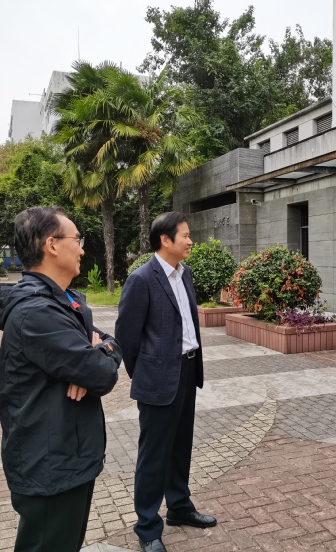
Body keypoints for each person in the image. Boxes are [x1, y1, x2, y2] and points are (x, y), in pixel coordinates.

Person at [0, 206, 122, 552]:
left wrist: (97, 352)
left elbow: (110, 343)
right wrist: (93, 360)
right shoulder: (38, 312)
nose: (82, 250)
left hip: (68, 456)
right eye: (77, 240)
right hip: (51, 464)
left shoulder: (61, 302)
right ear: (51, 244)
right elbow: (103, 374)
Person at [115, 212, 216, 552]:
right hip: (157, 378)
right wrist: (143, 372)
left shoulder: (185, 273)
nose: (190, 241)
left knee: (180, 445)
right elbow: (126, 336)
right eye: (185, 235)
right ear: (165, 239)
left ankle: (179, 506)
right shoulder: (142, 279)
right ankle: (147, 526)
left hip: (187, 370)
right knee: (153, 454)